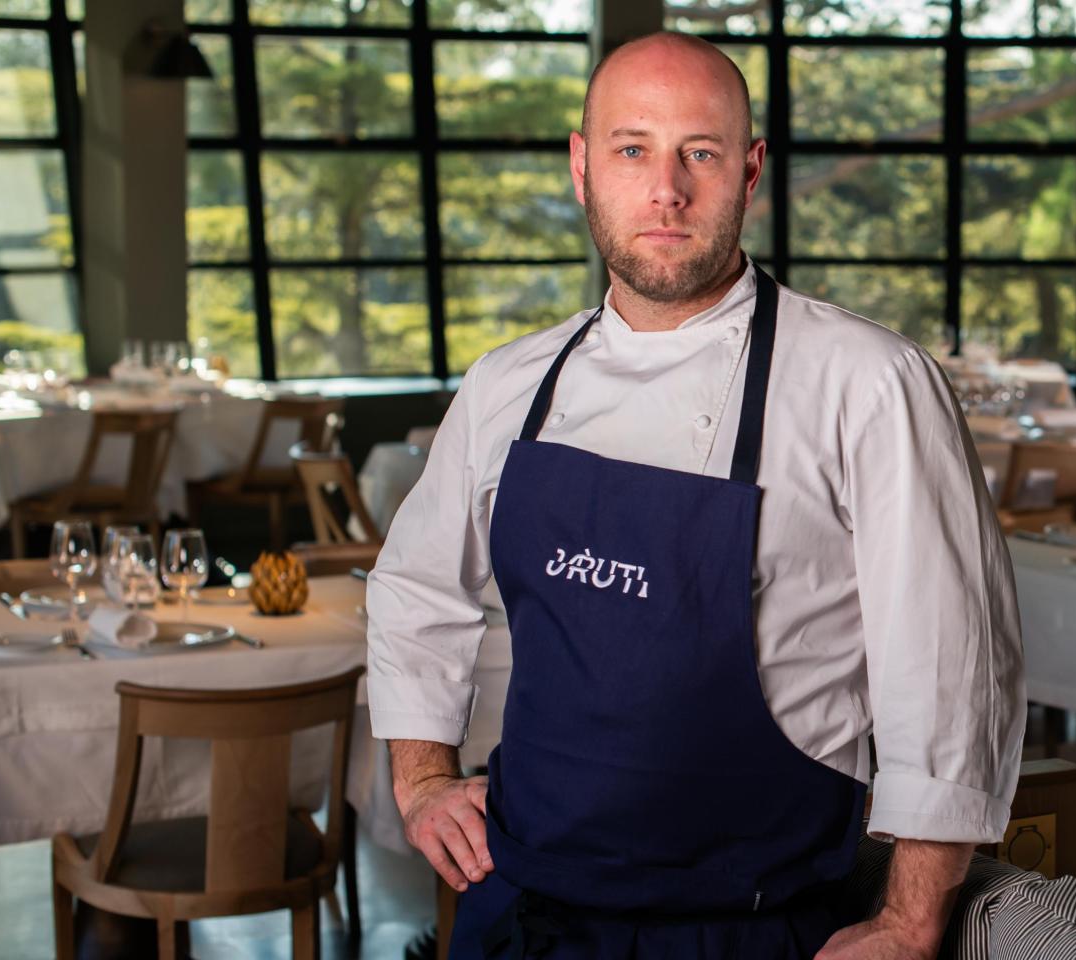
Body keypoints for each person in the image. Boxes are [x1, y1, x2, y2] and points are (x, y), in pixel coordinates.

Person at [366, 30, 1024, 959]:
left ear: (751, 169)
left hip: (751, 926)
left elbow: (952, 661)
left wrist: (910, 922)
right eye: (632, 149)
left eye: (700, 154)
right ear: (582, 167)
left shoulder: (870, 382)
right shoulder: (507, 384)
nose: (666, 190)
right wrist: (423, 779)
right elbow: (415, 588)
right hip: (525, 911)